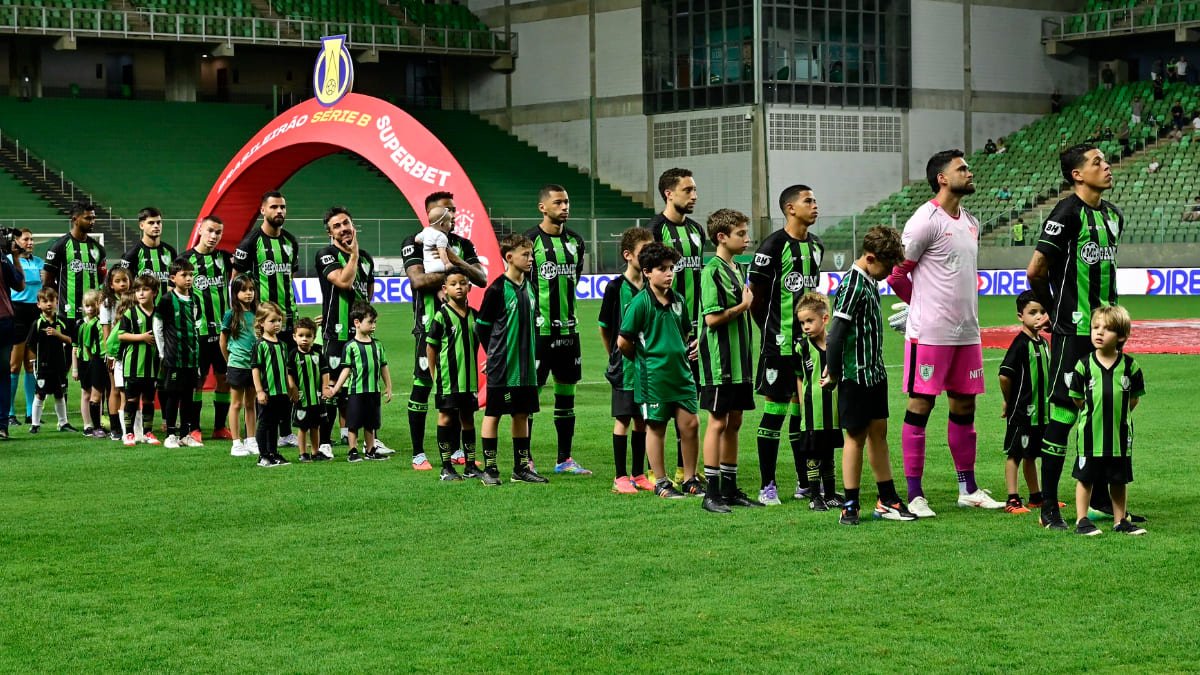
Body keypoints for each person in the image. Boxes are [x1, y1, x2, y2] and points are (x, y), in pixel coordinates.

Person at [887, 149, 1003, 517]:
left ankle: (967, 488)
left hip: (967, 333)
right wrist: (916, 308)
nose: (969, 173)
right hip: (930, 335)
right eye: (962, 169)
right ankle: (916, 494)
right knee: (920, 407)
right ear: (942, 178)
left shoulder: (970, 221)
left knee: (965, 407)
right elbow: (897, 274)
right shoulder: (924, 220)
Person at [1026, 143, 1125, 530]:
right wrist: (1055, 310)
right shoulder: (1066, 213)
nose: (1106, 166)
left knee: (1104, 414)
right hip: (1073, 335)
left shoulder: (1114, 216)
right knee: (1064, 415)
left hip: (1110, 332)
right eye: (1096, 163)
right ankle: (1049, 507)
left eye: (1105, 161)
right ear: (1077, 175)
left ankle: (1099, 499)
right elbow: (1035, 269)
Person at [824, 226, 914, 525]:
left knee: (879, 435)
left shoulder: (869, 283)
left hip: (875, 374)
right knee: (855, 438)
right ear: (871, 257)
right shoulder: (852, 284)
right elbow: (835, 334)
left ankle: (886, 498)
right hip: (855, 377)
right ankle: (849, 505)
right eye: (886, 267)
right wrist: (834, 371)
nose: (888, 273)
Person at [749, 184, 825, 505]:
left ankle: (804, 482)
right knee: (774, 414)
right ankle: (768, 486)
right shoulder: (772, 246)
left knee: (802, 415)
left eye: (815, 199)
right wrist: (772, 334)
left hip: (806, 349)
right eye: (808, 200)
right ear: (790, 208)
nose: (815, 205)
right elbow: (755, 297)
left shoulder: (817, 247)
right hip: (778, 348)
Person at [401, 192, 486, 470]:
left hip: (460, 330)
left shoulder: (462, 243)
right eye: (445, 210)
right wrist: (458, 273)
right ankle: (417, 453)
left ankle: (459, 451)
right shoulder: (415, 241)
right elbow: (418, 280)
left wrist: (455, 261)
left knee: (460, 392)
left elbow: (482, 279)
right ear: (430, 213)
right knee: (424, 385)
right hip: (428, 327)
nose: (452, 214)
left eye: (454, 209)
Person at [617, 242, 701, 499]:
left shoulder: (678, 300)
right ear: (647, 272)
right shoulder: (640, 303)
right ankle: (662, 482)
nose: (669, 273)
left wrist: (690, 347)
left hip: (682, 374)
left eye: (672, 268)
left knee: (691, 424)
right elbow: (623, 342)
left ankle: (690, 479)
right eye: (662, 269)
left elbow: (685, 332)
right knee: (657, 427)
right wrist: (644, 360)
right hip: (653, 378)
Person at [697, 209, 762, 513]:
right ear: (722, 237)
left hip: (740, 361)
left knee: (735, 421)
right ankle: (711, 493)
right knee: (718, 421)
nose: (747, 239)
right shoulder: (711, 270)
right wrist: (744, 306)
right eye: (741, 234)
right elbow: (711, 319)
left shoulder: (736, 268)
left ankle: (729, 488)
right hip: (720, 363)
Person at [525, 184, 590, 475]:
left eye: (567, 202)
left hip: (569, 332)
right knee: (529, 397)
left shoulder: (576, 241)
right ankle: (524, 457)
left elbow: (572, 280)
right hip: (538, 333)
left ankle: (565, 459)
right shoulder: (528, 242)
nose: (565, 207)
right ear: (543, 207)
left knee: (566, 396)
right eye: (558, 202)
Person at [1068, 306, 1146, 536]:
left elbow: (1133, 400)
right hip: (1090, 435)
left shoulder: (1131, 367)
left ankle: (1120, 520)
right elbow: (1077, 399)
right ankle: (1082, 520)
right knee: (1085, 478)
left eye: (1108, 329)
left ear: (1121, 336)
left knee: (1118, 479)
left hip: (1119, 437)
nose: (1099, 333)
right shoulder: (1083, 365)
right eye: (1095, 327)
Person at [475, 233, 545, 486]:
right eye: (525, 255)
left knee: (522, 414)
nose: (531, 259)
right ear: (509, 257)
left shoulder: (530, 286)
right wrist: (493, 353)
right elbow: (481, 327)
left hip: (526, 368)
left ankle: (521, 468)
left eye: (532, 255)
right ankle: (490, 469)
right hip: (504, 367)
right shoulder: (496, 289)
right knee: (493, 414)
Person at [232, 190, 300, 448]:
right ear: (263, 210)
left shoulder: (291, 241)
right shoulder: (250, 243)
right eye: (274, 207)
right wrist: (245, 318)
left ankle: (286, 431)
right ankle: (265, 431)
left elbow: (290, 279)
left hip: (288, 319)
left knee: (288, 375)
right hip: (263, 323)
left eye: (283, 207)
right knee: (268, 376)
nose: (279, 211)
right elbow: (236, 282)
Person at [649, 168, 704, 483]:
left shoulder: (697, 231)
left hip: (696, 332)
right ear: (669, 193)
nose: (694, 195)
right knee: (658, 409)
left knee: (689, 403)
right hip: (666, 335)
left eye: (694, 190)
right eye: (687, 190)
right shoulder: (656, 229)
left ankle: (687, 471)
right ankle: (652, 471)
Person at [316, 206, 384, 458]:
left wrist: (362, 319)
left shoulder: (366, 257)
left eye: (346, 223)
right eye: (337, 226)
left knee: (360, 387)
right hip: (335, 333)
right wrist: (353, 254)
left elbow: (367, 292)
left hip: (359, 335)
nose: (343, 228)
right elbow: (344, 282)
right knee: (332, 387)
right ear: (330, 233)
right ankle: (324, 442)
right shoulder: (326, 254)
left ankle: (363, 440)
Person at [599, 227, 655, 494]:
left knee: (642, 418)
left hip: (647, 366)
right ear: (628, 255)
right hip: (624, 365)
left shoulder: (652, 286)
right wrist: (614, 353)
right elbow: (604, 326)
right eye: (644, 252)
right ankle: (620, 477)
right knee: (623, 418)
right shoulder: (615, 287)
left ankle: (639, 473)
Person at [424, 267, 483, 481]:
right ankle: (446, 466)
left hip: (469, 380)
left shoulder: (474, 315)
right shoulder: (441, 316)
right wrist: (434, 375)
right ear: (445, 289)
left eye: (463, 283)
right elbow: (430, 347)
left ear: (469, 286)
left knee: (468, 418)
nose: (458, 287)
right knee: (446, 417)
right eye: (453, 284)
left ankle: (470, 465)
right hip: (448, 380)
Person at [181, 215, 232, 443]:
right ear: (200, 229)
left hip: (223, 332)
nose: (213, 236)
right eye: (210, 230)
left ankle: (220, 427)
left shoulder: (225, 259)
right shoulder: (185, 260)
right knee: (197, 380)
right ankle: (194, 427)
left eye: (218, 232)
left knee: (224, 379)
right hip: (197, 333)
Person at [997, 291, 1050, 514]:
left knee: (1032, 455)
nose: (1038, 317)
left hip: (1042, 411)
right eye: (1032, 312)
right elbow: (1004, 374)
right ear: (1021, 316)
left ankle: (1037, 497)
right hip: (1022, 412)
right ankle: (1012, 499)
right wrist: (1009, 402)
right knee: (1016, 454)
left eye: (1042, 312)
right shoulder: (1020, 344)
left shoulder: (1044, 343)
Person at [793, 292, 844, 511]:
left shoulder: (836, 345)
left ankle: (830, 494)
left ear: (824, 319)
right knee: (812, 455)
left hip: (832, 410)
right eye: (802, 322)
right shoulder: (802, 347)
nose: (805, 326)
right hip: (813, 410)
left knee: (828, 453)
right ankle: (815, 496)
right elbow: (799, 376)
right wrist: (803, 405)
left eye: (809, 321)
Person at [329, 303, 392, 464]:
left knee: (371, 423)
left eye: (375, 322)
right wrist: (336, 388)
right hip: (356, 391)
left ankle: (371, 450)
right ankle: (352, 450)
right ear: (357, 323)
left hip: (373, 391)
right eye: (370, 322)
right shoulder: (350, 347)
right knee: (354, 422)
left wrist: (388, 386)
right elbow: (346, 370)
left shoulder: (378, 345)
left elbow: (384, 366)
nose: (374, 326)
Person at [154, 259, 203, 449]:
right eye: (184, 275)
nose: (189, 278)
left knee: (188, 396)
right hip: (173, 356)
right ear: (173, 278)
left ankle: (186, 434)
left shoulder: (195, 299)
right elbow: (158, 326)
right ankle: (170, 434)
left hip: (191, 357)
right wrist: (162, 352)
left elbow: (197, 326)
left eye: (191, 275)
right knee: (173, 395)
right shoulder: (167, 300)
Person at [43, 201, 106, 341]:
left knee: (92, 355)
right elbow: (47, 282)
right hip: (68, 313)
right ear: (75, 220)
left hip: (93, 312)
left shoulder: (98, 249)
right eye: (88, 218)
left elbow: (101, 279)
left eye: (93, 218)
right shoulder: (60, 246)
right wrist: (62, 300)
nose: (92, 222)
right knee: (69, 355)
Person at [119, 275, 161, 446]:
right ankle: (128, 434)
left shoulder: (159, 314)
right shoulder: (130, 312)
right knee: (131, 400)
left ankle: (148, 432)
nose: (141, 293)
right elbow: (122, 335)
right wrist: (142, 337)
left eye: (145, 289)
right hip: (132, 365)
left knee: (149, 400)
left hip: (152, 365)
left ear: (155, 292)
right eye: (137, 290)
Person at [26, 288, 75, 434]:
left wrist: (58, 335)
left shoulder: (62, 322)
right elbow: (30, 343)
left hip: (59, 365)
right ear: (38, 304)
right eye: (44, 301)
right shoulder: (38, 324)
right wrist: (38, 359)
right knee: (40, 394)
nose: (48, 304)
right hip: (43, 366)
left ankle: (63, 423)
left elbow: (70, 340)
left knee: (60, 393)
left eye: (51, 301)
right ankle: (35, 424)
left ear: (56, 302)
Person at [250, 302, 293, 467]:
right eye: (272, 321)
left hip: (280, 391)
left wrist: (289, 388)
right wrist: (259, 390)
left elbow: (285, 369)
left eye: (279, 320)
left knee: (275, 423)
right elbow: (255, 369)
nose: (277, 324)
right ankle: (263, 455)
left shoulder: (282, 345)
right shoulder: (260, 345)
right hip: (268, 391)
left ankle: (273, 453)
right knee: (265, 423)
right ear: (261, 322)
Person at [221, 274, 259, 458]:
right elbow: (223, 340)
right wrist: (229, 360)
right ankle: (236, 442)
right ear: (235, 293)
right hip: (237, 364)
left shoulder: (258, 313)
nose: (248, 293)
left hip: (254, 366)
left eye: (251, 289)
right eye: (244, 290)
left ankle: (251, 439)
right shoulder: (231, 314)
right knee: (236, 404)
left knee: (251, 404)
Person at [8, 229, 39, 427]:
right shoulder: (9, 260)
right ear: (17, 241)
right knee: (14, 365)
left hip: (34, 313)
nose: (30, 242)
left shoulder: (39, 262)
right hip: (17, 312)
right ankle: (10, 413)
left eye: (31, 239)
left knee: (31, 364)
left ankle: (30, 412)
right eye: (26, 239)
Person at [288, 317, 328, 463]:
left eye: (308, 336)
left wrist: (325, 388)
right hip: (302, 397)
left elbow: (325, 372)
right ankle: (303, 453)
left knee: (315, 426)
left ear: (314, 337)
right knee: (303, 427)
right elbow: (290, 374)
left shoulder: (318, 353)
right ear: (294, 337)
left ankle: (316, 452)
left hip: (316, 397)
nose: (304, 339)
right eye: (301, 335)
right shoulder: (293, 355)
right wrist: (292, 389)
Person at [100, 266, 132, 440]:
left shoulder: (134, 299)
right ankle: (115, 427)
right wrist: (110, 354)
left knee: (128, 389)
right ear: (111, 284)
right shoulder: (107, 303)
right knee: (114, 388)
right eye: (118, 281)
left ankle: (129, 425)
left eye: (125, 280)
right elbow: (106, 331)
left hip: (132, 350)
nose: (122, 284)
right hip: (115, 352)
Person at [0, 233, 26, 439]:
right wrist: (15, 258)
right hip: (4, 321)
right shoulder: (2, 260)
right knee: (2, 376)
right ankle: (2, 426)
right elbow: (19, 285)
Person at [72, 290, 107, 438]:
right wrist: (75, 368)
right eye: (87, 306)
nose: (90, 309)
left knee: (97, 393)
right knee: (86, 393)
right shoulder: (79, 324)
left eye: (93, 305)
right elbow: (75, 347)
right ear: (82, 307)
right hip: (84, 362)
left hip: (97, 362)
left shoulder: (102, 323)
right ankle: (87, 424)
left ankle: (97, 423)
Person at [117, 207, 177, 291]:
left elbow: (176, 279)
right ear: (141, 225)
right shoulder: (132, 254)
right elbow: (126, 285)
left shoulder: (170, 251)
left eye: (158, 222)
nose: (156, 226)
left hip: (166, 304)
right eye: (151, 223)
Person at [416, 204, 453, 274]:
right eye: (450, 222)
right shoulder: (441, 236)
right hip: (440, 266)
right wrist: (447, 264)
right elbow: (442, 252)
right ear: (442, 224)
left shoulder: (426, 230)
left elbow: (417, 240)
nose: (451, 224)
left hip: (428, 268)